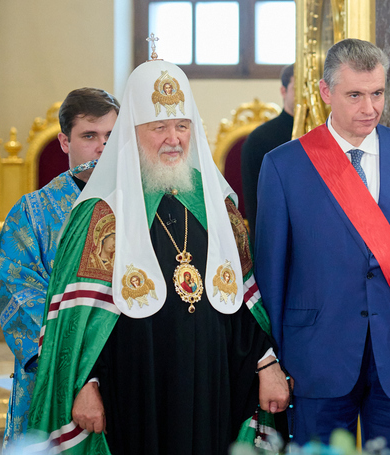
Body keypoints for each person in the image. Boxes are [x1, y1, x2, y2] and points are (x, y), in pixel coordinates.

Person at [27, 59, 289, 455]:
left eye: (182, 125)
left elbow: (245, 302)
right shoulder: (102, 211)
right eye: (159, 127)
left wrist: (266, 364)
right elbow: (79, 322)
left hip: (211, 384)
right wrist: (85, 385)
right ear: (132, 132)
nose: (174, 139)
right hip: (134, 388)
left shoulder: (216, 203)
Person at [255, 39, 390, 455]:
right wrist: (270, 363)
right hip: (315, 356)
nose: (370, 108)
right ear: (325, 92)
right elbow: (270, 275)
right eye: (355, 95)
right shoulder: (284, 165)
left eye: (377, 93)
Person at [0, 88, 119, 450]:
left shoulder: (142, 207)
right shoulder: (32, 214)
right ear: (65, 142)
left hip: (123, 367)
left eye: (111, 136)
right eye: (89, 136)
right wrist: (78, 375)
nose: (103, 148)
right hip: (56, 375)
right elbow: (20, 298)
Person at [240, 63, 295, 249]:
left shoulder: (329, 135)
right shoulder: (260, 140)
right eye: (299, 88)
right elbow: (256, 207)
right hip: (276, 240)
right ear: (283, 91)